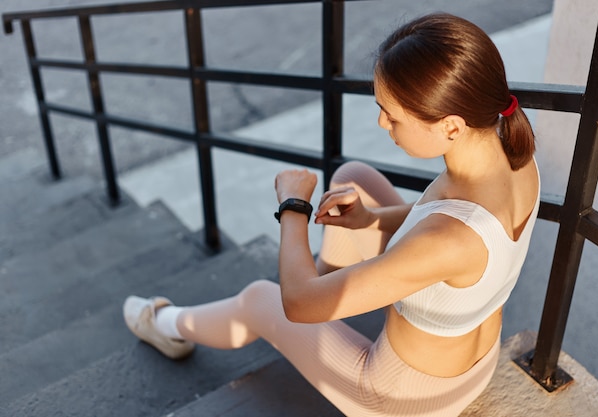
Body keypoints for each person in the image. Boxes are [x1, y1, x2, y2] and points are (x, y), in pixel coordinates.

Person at [123, 12, 539, 416]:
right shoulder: (516, 160)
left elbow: (298, 305)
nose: (381, 123)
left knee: (260, 300)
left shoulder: (447, 241)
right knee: (352, 179)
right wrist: (370, 219)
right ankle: (326, 281)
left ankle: (161, 323)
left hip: (402, 398)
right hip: (470, 356)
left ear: (451, 126)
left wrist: (293, 206)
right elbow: (444, 214)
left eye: (392, 116)